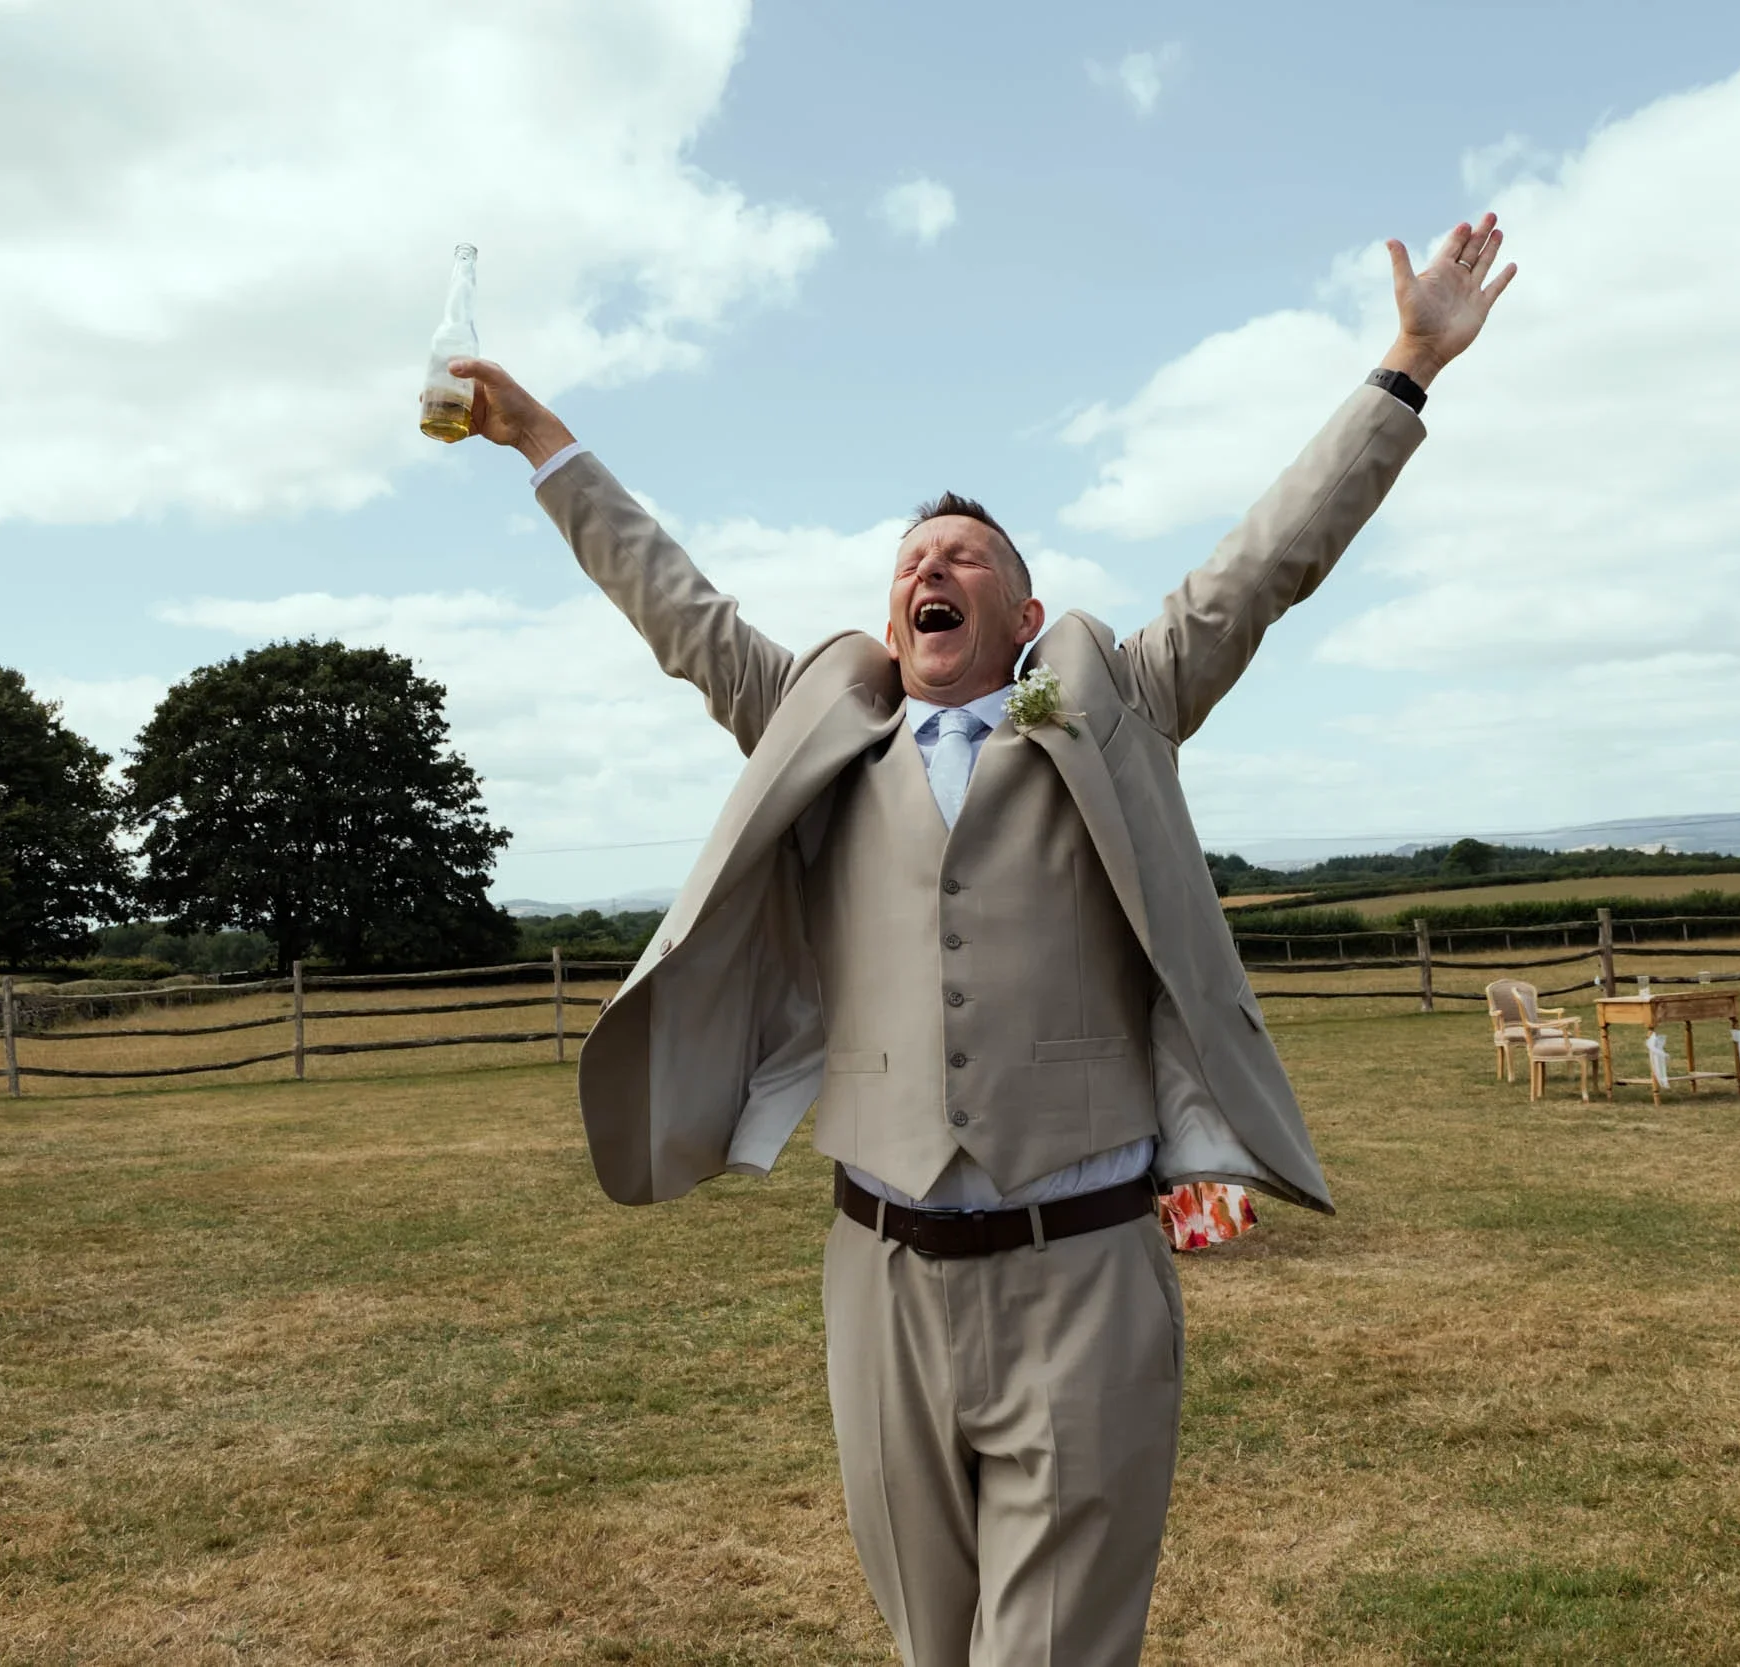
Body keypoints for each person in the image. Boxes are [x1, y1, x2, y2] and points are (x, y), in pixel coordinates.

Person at [454, 215, 1514, 1667]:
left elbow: (1265, 562)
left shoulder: (1114, 706)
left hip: (1079, 1267)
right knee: (930, 1644)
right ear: (896, 619)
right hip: (877, 1277)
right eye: (911, 561)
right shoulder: (822, 731)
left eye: (963, 556)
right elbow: (680, 608)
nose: (929, 567)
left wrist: (1406, 366)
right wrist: (546, 446)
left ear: (1018, 614)